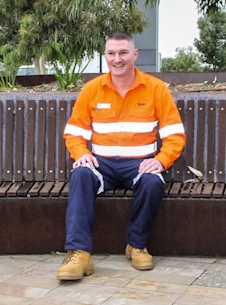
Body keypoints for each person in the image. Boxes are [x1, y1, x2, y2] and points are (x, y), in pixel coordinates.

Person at [57, 32, 186, 281]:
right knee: (80, 175)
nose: (117, 59)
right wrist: (81, 153)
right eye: (112, 53)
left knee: (152, 182)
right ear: (105, 56)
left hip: (139, 164)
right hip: (100, 163)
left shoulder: (155, 89)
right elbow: (74, 133)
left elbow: (175, 136)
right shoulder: (92, 89)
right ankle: (79, 253)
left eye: (123, 52)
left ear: (134, 55)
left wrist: (160, 160)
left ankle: (136, 245)